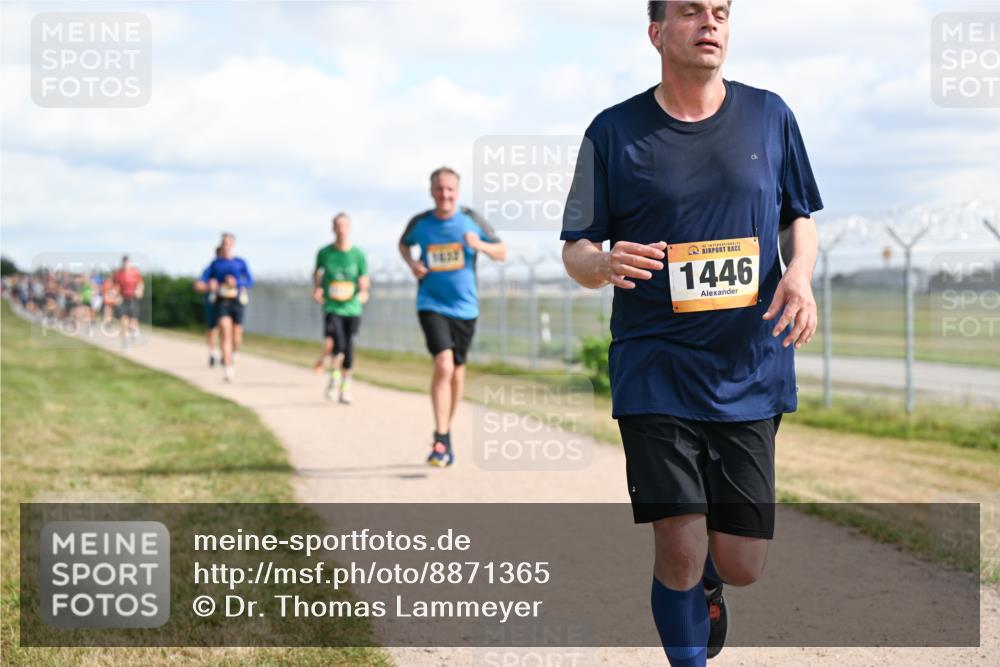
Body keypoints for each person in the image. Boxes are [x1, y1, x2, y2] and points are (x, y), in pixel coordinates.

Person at [560, 2, 823, 664]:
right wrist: (602, 263)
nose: (710, 23)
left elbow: (800, 217)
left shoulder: (770, 115)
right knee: (678, 542)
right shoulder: (613, 132)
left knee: (740, 562)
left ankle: (711, 580)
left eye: (720, 12)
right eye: (691, 12)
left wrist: (799, 275)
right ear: (656, 33)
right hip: (655, 364)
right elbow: (576, 248)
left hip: (749, 364)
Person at [399, 166, 507, 467]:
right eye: (439, 189)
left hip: (466, 308)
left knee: (457, 372)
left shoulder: (471, 219)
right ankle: (442, 435)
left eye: (449, 189)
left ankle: (445, 430)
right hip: (431, 303)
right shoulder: (420, 223)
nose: (444, 194)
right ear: (431, 191)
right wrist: (412, 264)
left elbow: (502, 252)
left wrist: (479, 244)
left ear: (457, 192)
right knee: (443, 364)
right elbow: (403, 244)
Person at [313, 213, 370, 403]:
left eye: (344, 225)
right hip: (332, 307)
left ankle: (345, 385)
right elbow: (318, 273)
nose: (341, 229)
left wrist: (363, 292)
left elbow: (363, 278)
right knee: (338, 344)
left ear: (349, 228)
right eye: (338, 226)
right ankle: (334, 378)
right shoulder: (325, 253)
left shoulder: (358, 254)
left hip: (352, 308)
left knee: (349, 348)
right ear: (333, 228)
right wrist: (318, 288)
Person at [204, 233, 253, 381]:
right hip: (221, 301)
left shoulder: (240, 263)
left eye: (228, 243)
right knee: (225, 333)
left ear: (233, 244)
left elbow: (250, 281)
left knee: (236, 337)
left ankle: (234, 353)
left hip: (237, 301)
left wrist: (236, 283)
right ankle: (227, 369)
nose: (226, 245)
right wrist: (210, 284)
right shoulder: (215, 264)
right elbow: (203, 280)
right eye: (223, 243)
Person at [194, 246, 224, 367]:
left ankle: (225, 353)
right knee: (212, 328)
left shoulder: (233, 267)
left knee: (225, 328)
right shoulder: (211, 268)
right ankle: (213, 352)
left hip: (228, 304)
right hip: (213, 303)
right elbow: (198, 285)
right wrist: (209, 287)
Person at [113, 256, 145, 349]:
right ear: (122, 263)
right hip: (123, 299)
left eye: (127, 262)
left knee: (132, 323)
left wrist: (140, 290)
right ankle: (125, 343)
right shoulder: (118, 273)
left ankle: (134, 330)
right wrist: (116, 295)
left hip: (133, 299)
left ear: (129, 263)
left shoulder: (135, 272)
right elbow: (115, 286)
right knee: (123, 322)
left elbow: (140, 283)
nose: (125, 264)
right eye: (124, 262)